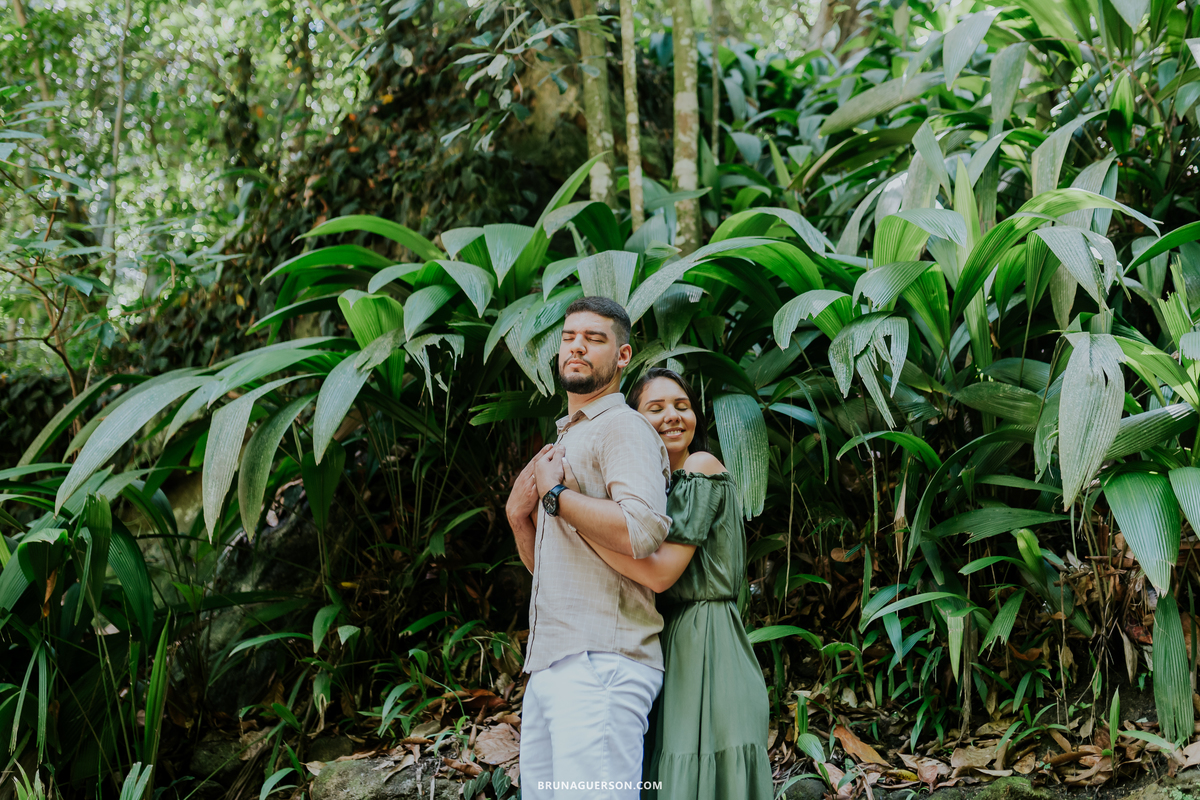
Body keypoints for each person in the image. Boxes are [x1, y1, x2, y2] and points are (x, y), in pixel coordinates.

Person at [566, 367, 773, 800]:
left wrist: (573, 518)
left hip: (711, 640)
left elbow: (660, 574)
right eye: (656, 408)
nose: (673, 416)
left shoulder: (701, 467)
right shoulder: (650, 492)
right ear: (635, 421)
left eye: (682, 406)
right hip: (667, 642)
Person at [505, 296, 673, 800]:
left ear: (622, 357)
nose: (576, 347)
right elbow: (556, 571)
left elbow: (642, 530)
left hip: (603, 661)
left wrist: (556, 496)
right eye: (568, 337)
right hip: (552, 663)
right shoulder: (565, 439)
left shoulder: (622, 427)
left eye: (594, 339)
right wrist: (518, 518)